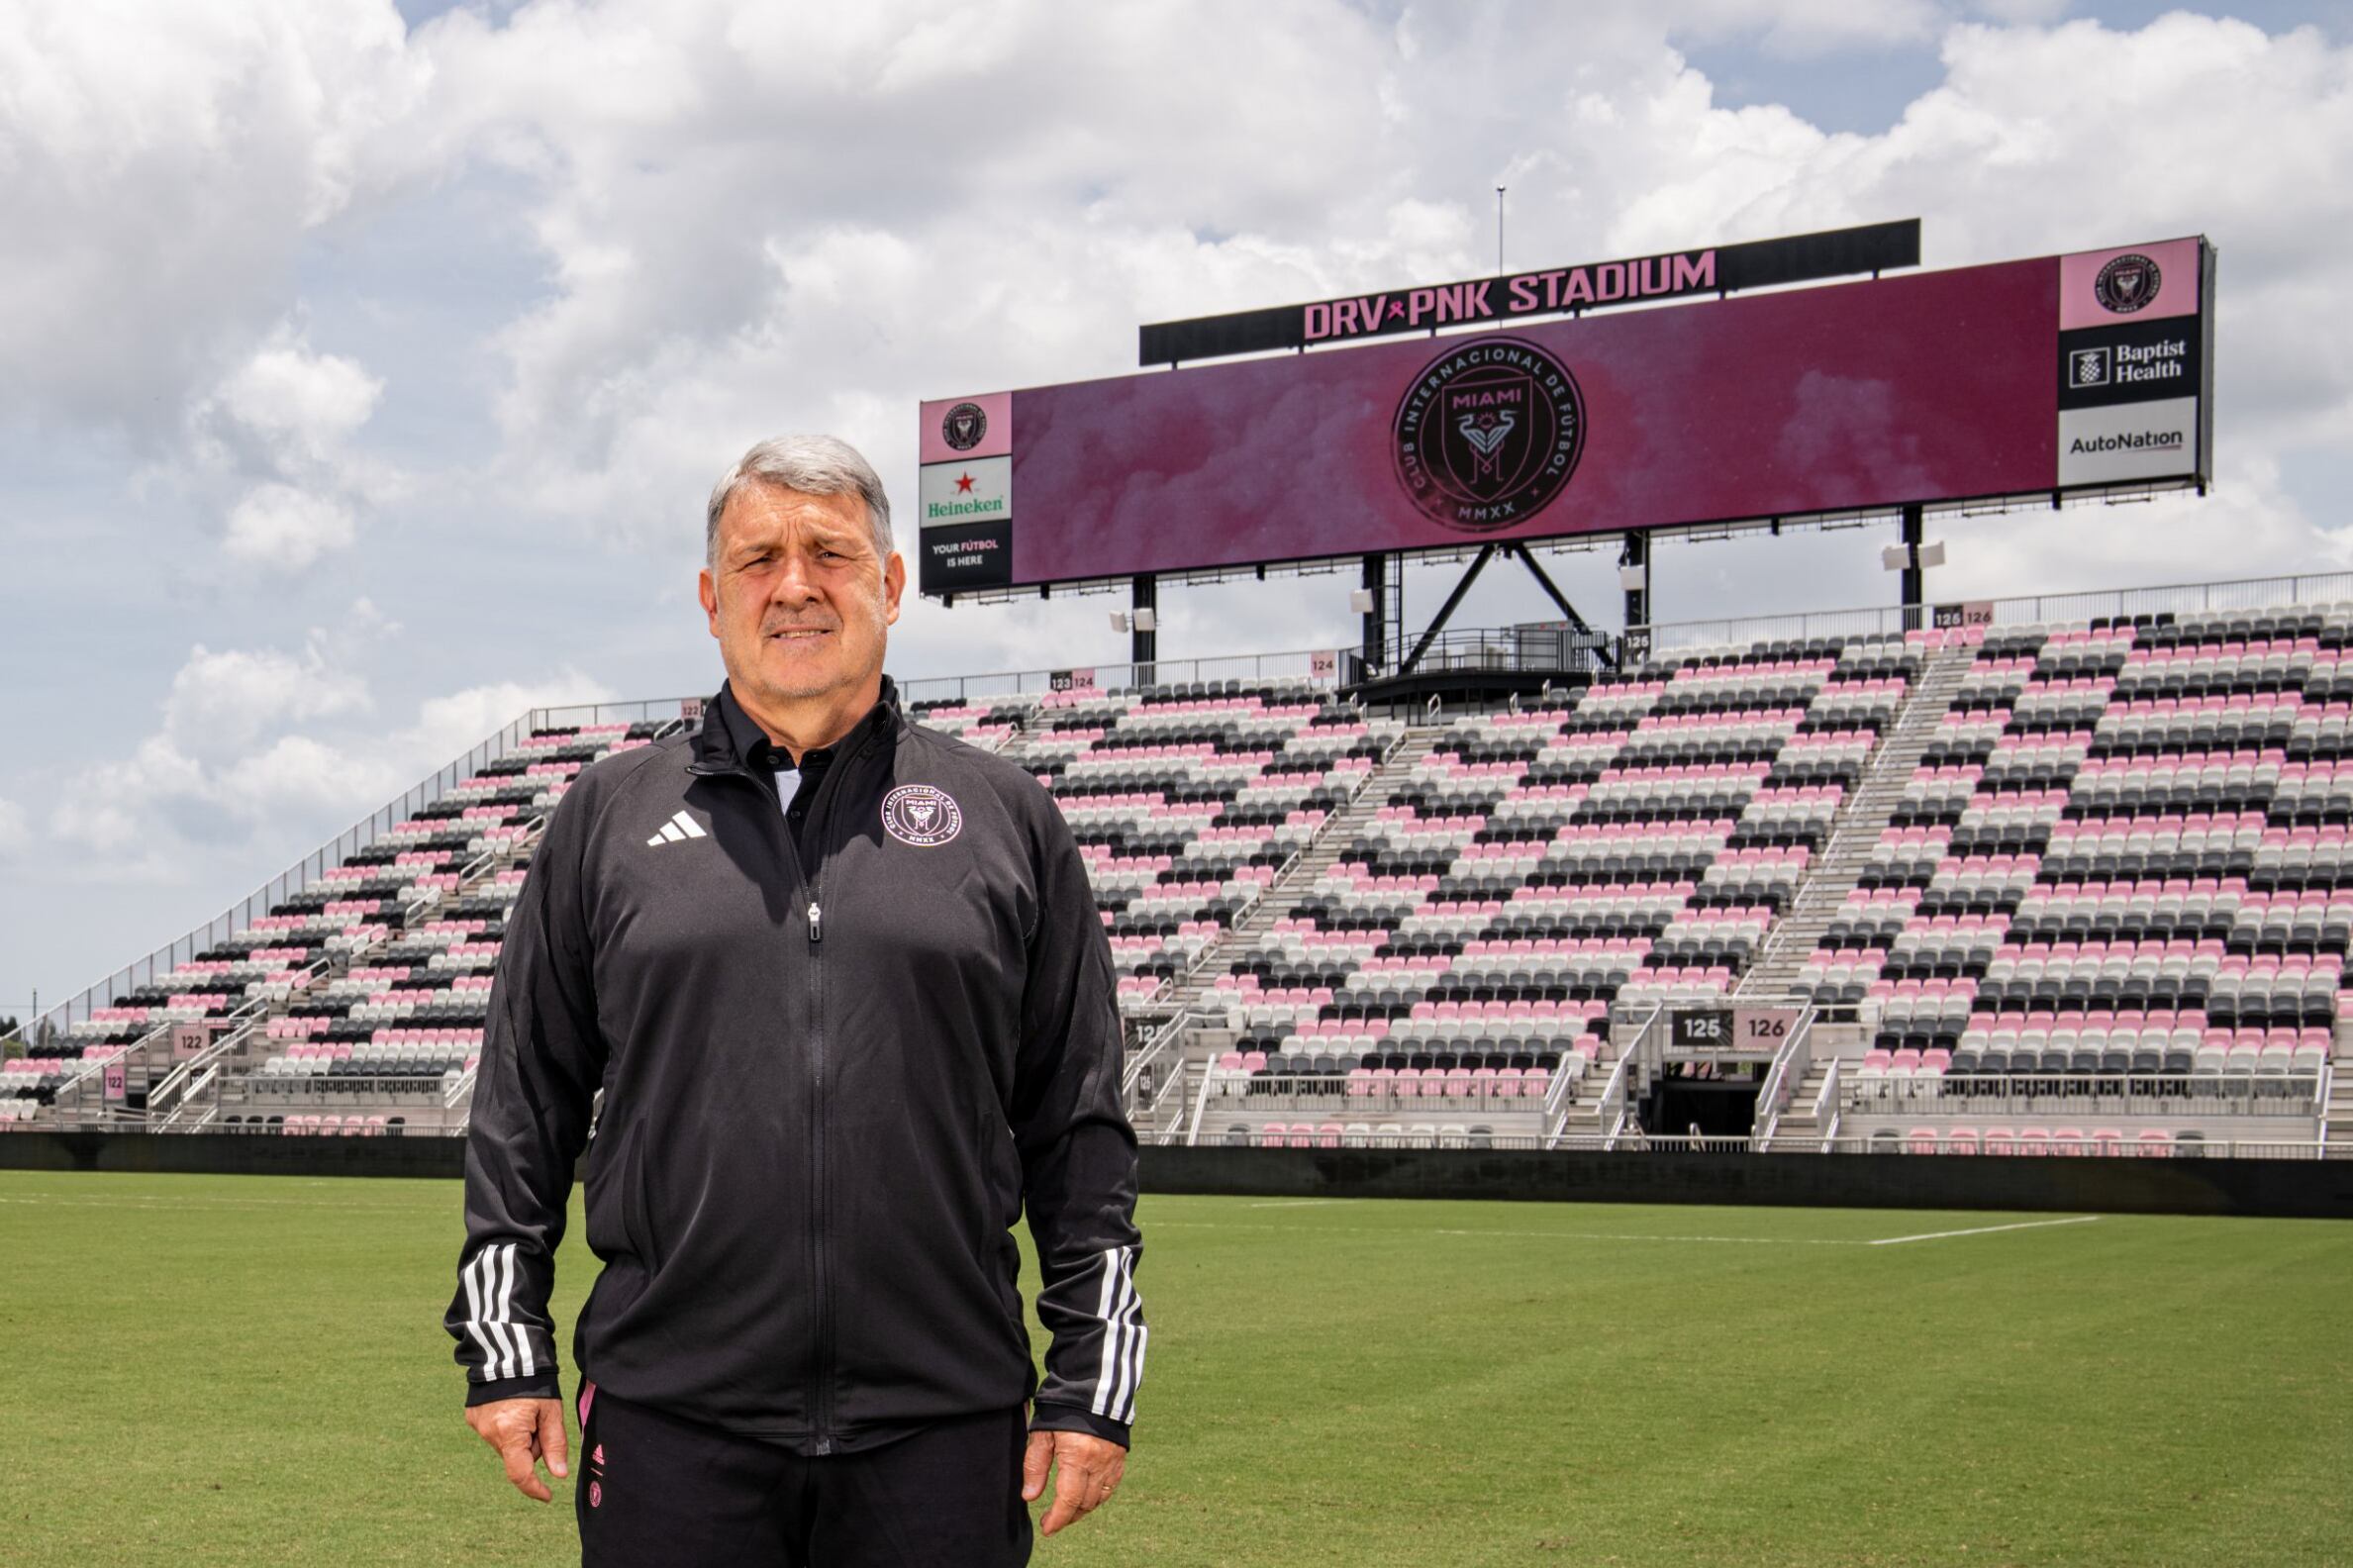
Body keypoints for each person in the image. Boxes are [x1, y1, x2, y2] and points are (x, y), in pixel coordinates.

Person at [445, 434, 1145, 1566]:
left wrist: (1089, 1384)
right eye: (760, 558)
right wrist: (505, 1343)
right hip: (672, 1416)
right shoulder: (604, 819)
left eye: (830, 553)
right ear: (713, 598)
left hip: (943, 1420)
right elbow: (524, 1102)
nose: (796, 585)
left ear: (890, 584)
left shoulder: (1005, 818)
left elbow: (1077, 1127)